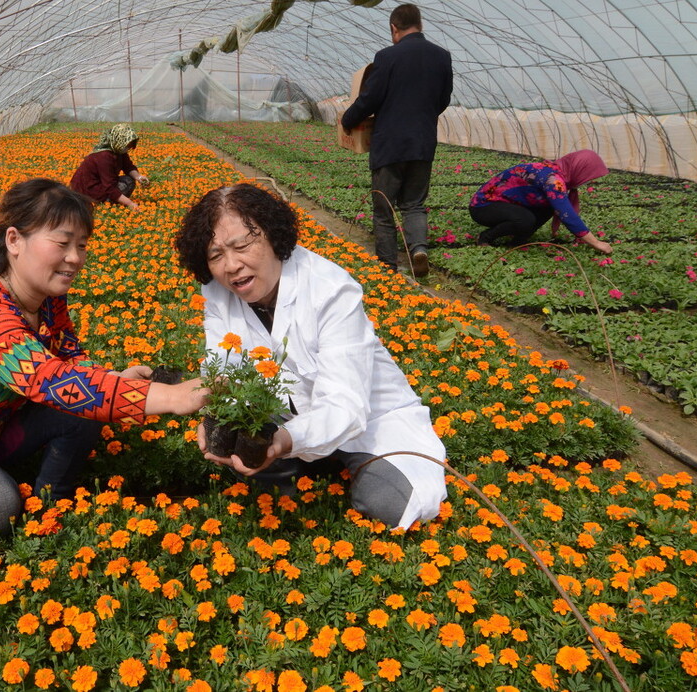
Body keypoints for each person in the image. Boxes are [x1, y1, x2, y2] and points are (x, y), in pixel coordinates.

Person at [0, 178, 206, 543]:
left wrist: (116, 379)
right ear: (14, 240)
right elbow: (49, 381)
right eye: (62, 243)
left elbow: (69, 361)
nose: (75, 258)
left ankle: (52, 506)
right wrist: (172, 398)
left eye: (81, 245)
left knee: (88, 404)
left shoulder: (45, 297)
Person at [175, 183, 448, 530]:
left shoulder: (330, 289)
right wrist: (219, 415)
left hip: (369, 420)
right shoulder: (217, 291)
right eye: (215, 255)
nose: (231, 265)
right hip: (284, 416)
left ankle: (340, 461)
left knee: (390, 503)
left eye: (242, 245)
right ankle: (305, 463)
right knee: (237, 457)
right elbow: (224, 364)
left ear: (273, 237)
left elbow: (345, 405)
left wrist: (285, 441)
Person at [340, 3, 453, 278]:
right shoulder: (442, 56)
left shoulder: (388, 57)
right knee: (414, 203)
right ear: (420, 24)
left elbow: (370, 99)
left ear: (394, 28)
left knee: (384, 206)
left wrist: (347, 119)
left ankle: (387, 266)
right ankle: (418, 250)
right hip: (422, 143)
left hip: (390, 144)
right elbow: (443, 99)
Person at [469, 149, 613, 254]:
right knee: (525, 220)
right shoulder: (553, 180)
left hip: (506, 204)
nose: (587, 180)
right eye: (588, 176)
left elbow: (560, 206)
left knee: (550, 206)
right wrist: (596, 243)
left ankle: (518, 239)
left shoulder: (556, 171)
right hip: (483, 206)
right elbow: (567, 214)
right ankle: (485, 237)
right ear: (580, 169)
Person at [69, 124, 148, 212]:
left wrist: (139, 177)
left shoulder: (118, 151)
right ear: (119, 140)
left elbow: (128, 166)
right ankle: (102, 202)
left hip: (98, 185)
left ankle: (111, 200)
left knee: (129, 180)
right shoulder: (104, 156)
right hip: (86, 191)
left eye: (130, 145)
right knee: (127, 183)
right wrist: (130, 204)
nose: (129, 148)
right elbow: (109, 187)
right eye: (128, 144)